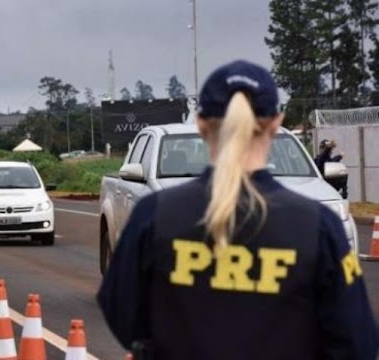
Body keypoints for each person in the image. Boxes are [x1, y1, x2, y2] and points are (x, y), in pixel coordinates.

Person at [97, 60, 378, 359]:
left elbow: (121, 310)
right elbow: (356, 341)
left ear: (202, 124)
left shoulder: (155, 214)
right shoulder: (319, 226)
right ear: (275, 122)